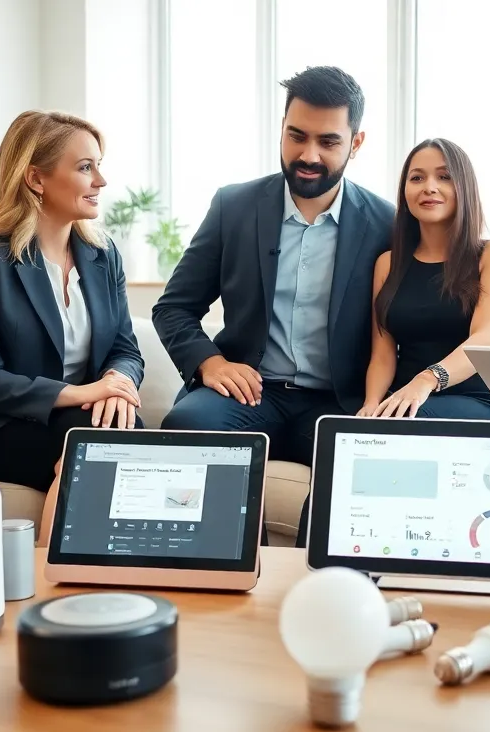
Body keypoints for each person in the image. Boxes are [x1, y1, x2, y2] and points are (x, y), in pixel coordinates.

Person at [153, 67, 394, 468]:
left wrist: (482, 322)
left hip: (337, 403)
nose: (308, 155)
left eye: (328, 141)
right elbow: (173, 308)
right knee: (186, 425)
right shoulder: (233, 207)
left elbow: (420, 308)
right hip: (246, 395)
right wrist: (211, 363)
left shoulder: (388, 225)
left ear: (356, 143)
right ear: (281, 128)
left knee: (365, 461)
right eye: (297, 135)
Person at [0, 110, 145, 515]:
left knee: (125, 429)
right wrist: (84, 393)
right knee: (93, 441)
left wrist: (117, 382)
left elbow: (125, 347)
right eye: (86, 168)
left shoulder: (104, 256)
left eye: (98, 167)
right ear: (36, 179)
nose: (101, 182)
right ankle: (57, 573)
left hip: (64, 417)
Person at [360, 138, 490, 420]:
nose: (429, 187)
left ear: (464, 187)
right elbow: (382, 355)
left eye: (444, 177)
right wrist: (371, 404)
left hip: (474, 399)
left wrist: (426, 380)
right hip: (405, 400)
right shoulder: (387, 264)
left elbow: (484, 338)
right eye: (417, 177)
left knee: (405, 418)